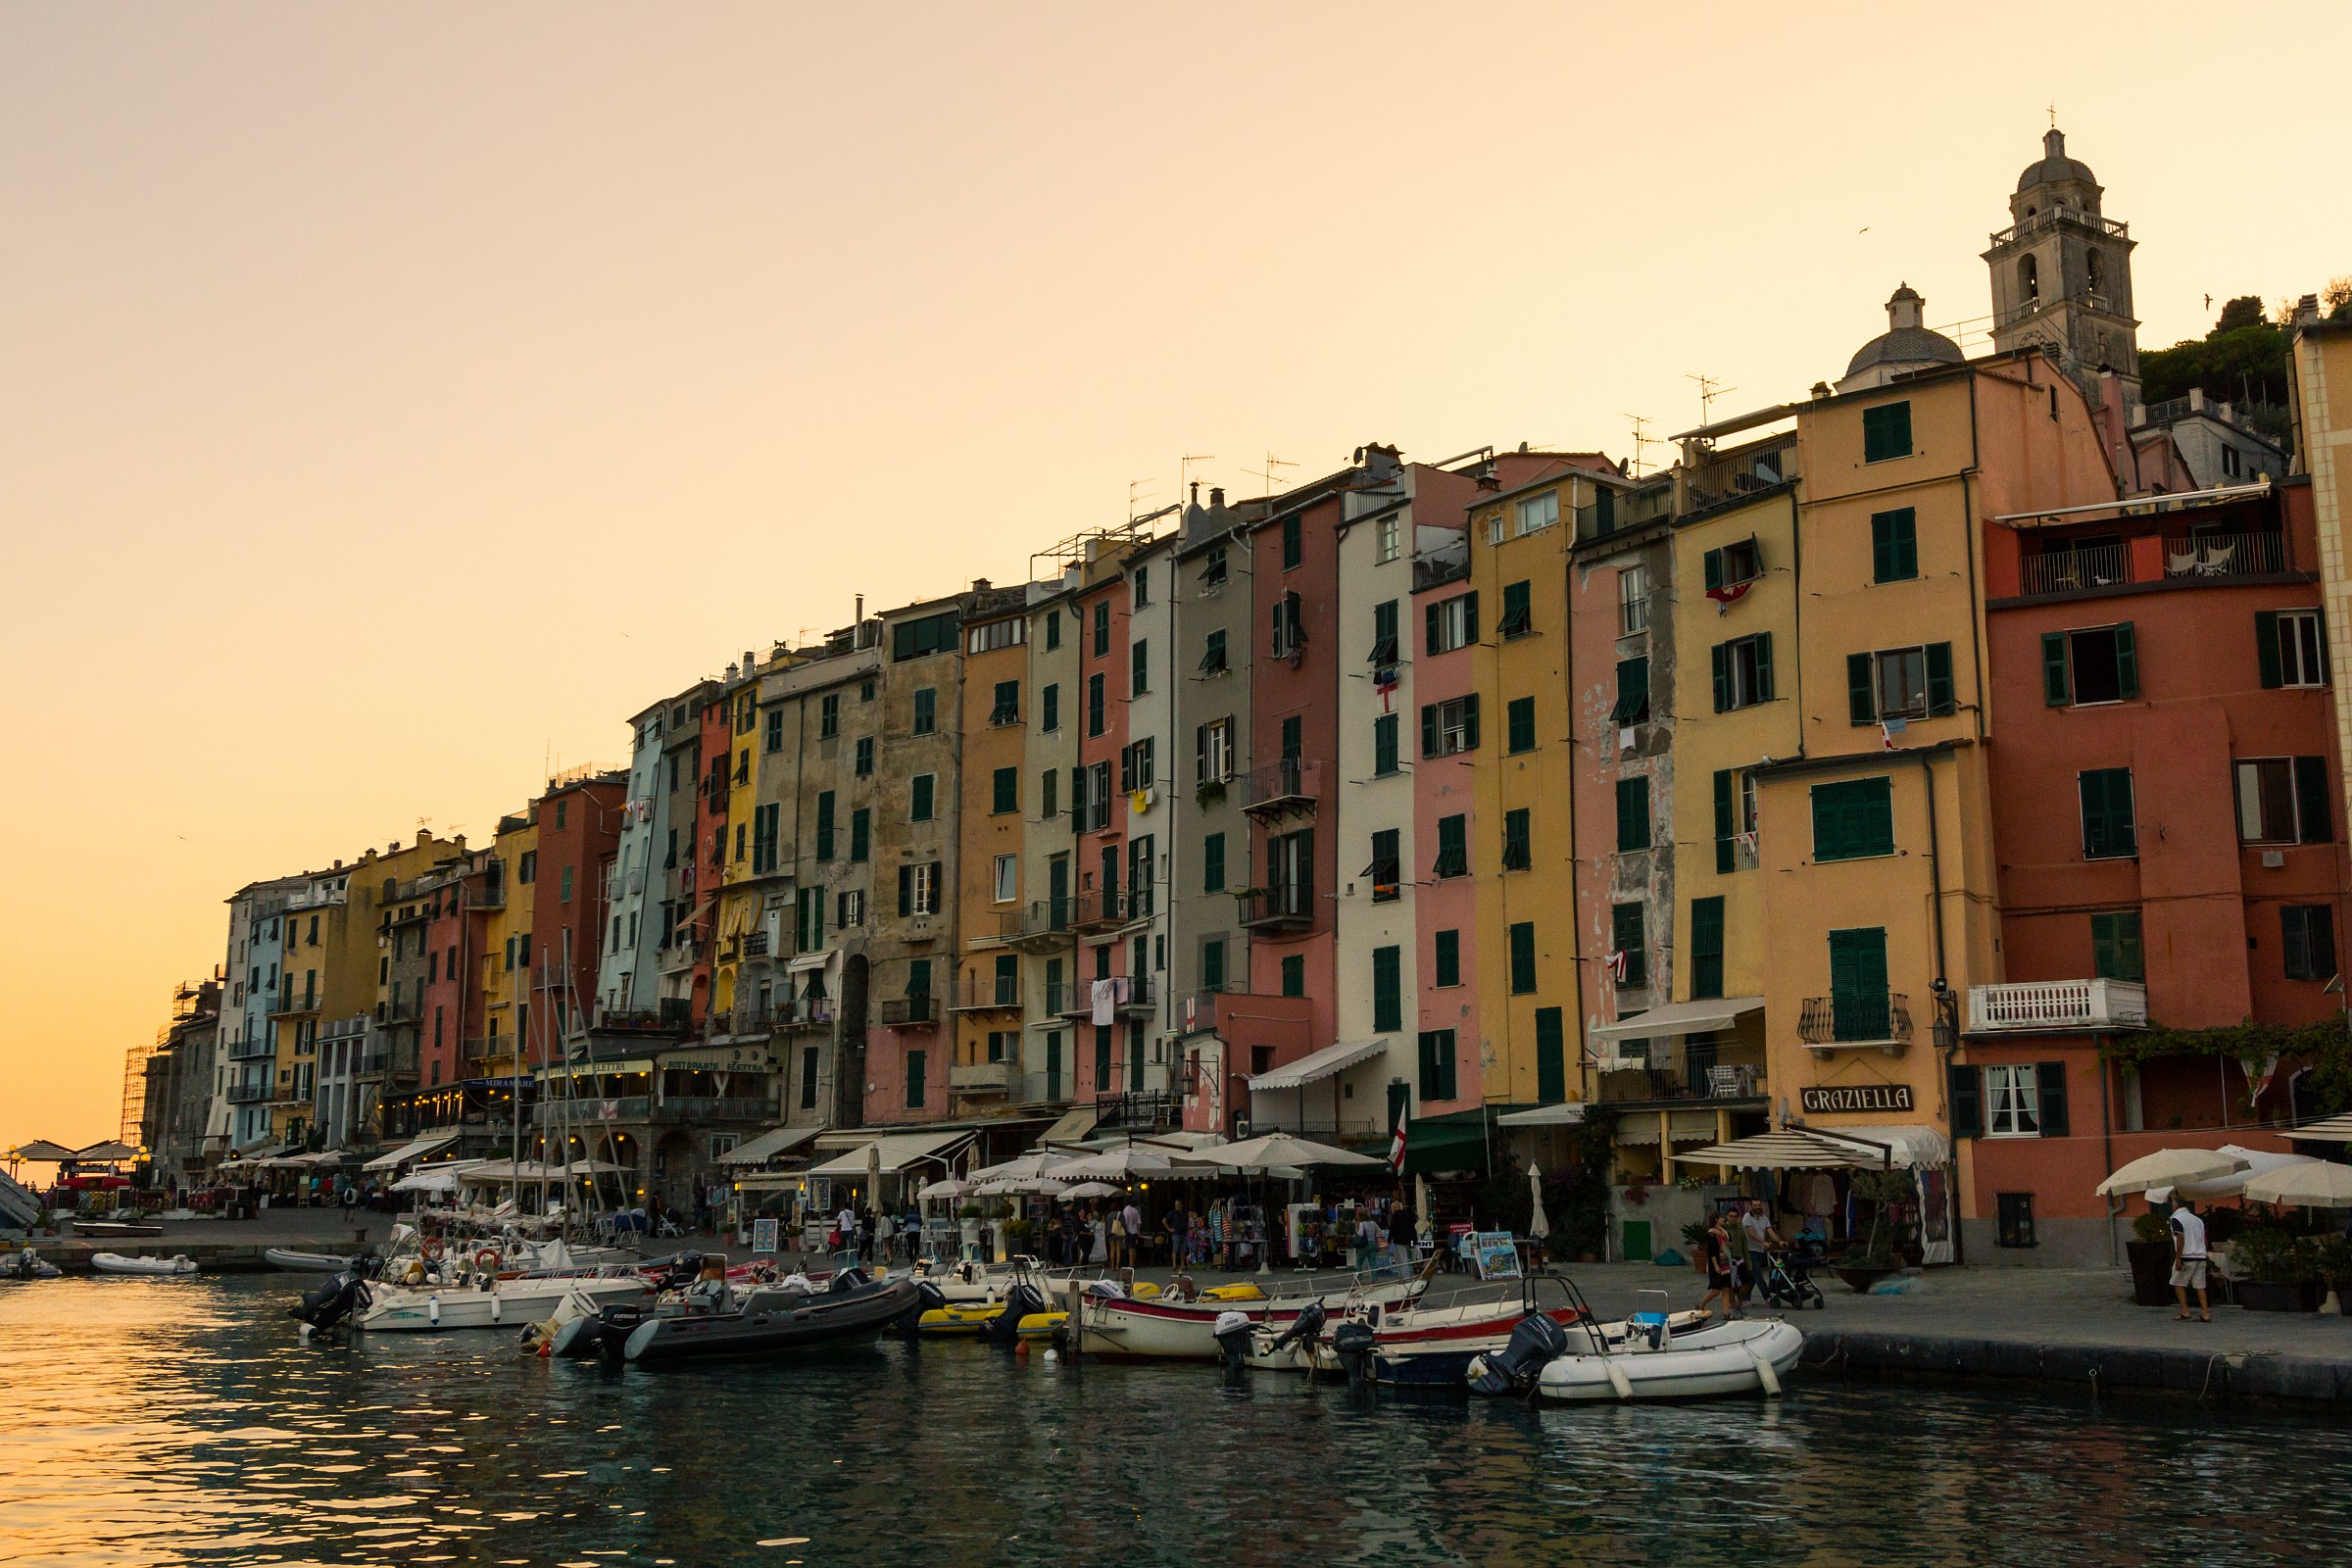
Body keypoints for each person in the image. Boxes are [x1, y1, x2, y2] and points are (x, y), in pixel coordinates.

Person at [2170, 1200, 2211, 1322]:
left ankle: (2185, 1311)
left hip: (2187, 1255)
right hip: (2200, 1255)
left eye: (2172, 1203)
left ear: (2176, 1206)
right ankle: (2205, 1313)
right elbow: (2204, 1238)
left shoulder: (2176, 1219)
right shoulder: (2198, 1220)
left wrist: (2178, 1258)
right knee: (2200, 1285)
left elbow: (2180, 1239)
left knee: (2178, 1283)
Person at [1739, 1200, 1785, 1307]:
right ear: (1751, 1206)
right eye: (1755, 1205)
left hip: (1760, 1250)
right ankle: (1767, 1298)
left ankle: (1745, 1298)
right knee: (1758, 1274)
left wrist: (1779, 1241)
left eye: (1759, 1205)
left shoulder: (1764, 1218)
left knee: (1752, 1276)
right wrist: (1762, 1241)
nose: (1757, 1207)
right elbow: (1750, 1233)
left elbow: (1770, 1232)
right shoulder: (1747, 1217)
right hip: (1750, 1250)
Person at [1697, 1210, 1739, 1321]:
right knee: (1716, 1289)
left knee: (1726, 1288)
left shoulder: (1723, 1233)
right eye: (1721, 1218)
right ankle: (1701, 1304)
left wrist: (1728, 1245)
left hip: (1725, 1263)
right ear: (1716, 1219)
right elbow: (1711, 1251)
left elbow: (1723, 1245)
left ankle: (1726, 1313)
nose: (1723, 1219)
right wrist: (1715, 1265)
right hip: (1717, 1263)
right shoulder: (1712, 1234)